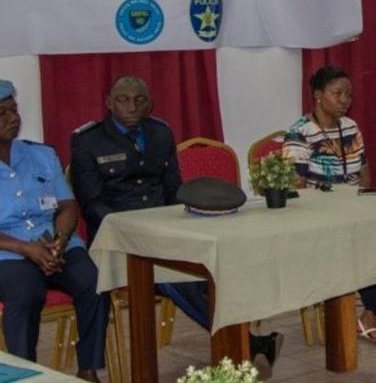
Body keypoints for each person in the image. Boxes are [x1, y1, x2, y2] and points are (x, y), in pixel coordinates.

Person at [71, 76, 282, 377]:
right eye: (123, 100)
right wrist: (134, 231)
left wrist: (186, 229)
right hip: (117, 240)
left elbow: (173, 190)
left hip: (165, 232)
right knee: (174, 277)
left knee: (212, 261)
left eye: (139, 100)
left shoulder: (160, 133)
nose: (132, 106)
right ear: (109, 103)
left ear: (150, 104)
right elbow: (92, 205)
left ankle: (243, 346)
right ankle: (251, 344)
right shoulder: (88, 141)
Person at [281, 65, 376, 344]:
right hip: (317, 218)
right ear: (318, 95)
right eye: (337, 93)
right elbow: (295, 187)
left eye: (348, 95)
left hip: (353, 211)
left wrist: (365, 204)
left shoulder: (350, 127)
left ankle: (369, 315)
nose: (345, 100)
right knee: (360, 243)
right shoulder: (300, 133)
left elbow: (364, 171)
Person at [0, 79, 108, 382]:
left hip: (55, 242)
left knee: (94, 282)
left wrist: (60, 241)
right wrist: (26, 248)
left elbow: (67, 205)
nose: (13, 118)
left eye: (14, 110)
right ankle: (26, 375)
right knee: (26, 293)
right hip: (8, 253)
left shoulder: (42, 155)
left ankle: (88, 369)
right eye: (2, 113)